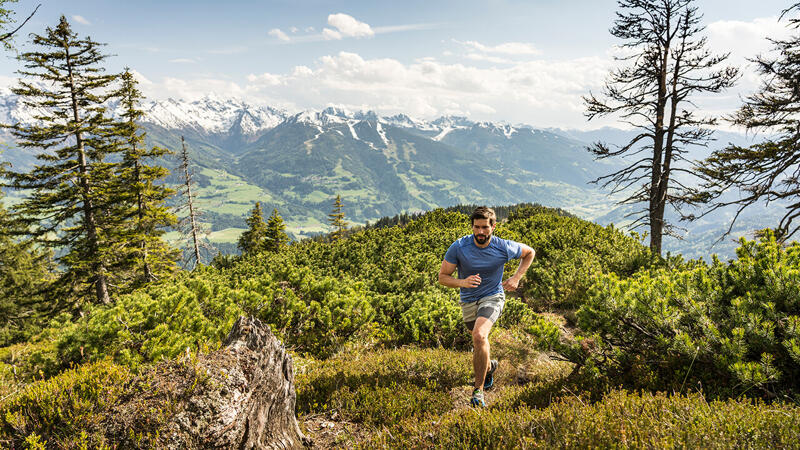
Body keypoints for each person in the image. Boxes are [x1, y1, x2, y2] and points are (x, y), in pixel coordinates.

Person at [438, 206, 534, 407]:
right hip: (468, 300)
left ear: (493, 227)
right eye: (476, 227)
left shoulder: (503, 247)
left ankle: (478, 391)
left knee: (480, 335)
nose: (480, 232)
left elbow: (529, 253)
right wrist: (463, 282)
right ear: (472, 227)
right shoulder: (459, 247)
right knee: (478, 341)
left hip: (493, 296)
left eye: (484, 227)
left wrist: (516, 277)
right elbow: (443, 277)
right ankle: (489, 366)